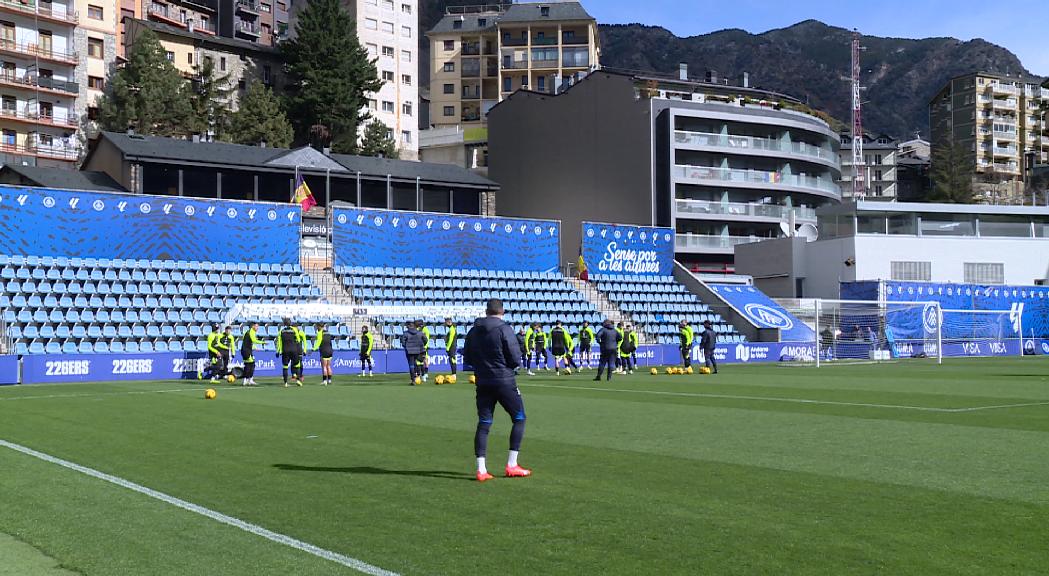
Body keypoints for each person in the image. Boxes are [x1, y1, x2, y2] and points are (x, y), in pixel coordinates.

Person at [463, 298, 529, 482]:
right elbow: (515, 358)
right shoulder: (504, 329)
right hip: (504, 381)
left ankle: (481, 469)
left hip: (483, 381)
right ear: (502, 312)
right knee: (519, 418)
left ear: (486, 312)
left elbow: (466, 357)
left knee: (484, 423)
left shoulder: (473, 331)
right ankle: (512, 464)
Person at [276, 318, 303, 387]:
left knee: (285, 366)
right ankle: (298, 381)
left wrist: (278, 351)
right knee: (297, 365)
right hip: (294, 350)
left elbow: (279, 342)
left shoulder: (281, 331)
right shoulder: (294, 330)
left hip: (285, 350)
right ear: (290, 323)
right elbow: (298, 340)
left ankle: (285, 383)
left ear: (284, 324)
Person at [400, 321, 425, 385]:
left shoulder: (405, 333)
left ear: (408, 326)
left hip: (409, 351)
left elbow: (402, 342)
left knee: (411, 365)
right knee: (417, 363)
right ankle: (418, 376)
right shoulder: (420, 333)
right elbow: (425, 340)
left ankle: (413, 380)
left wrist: (406, 346)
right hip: (418, 351)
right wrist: (420, 346)